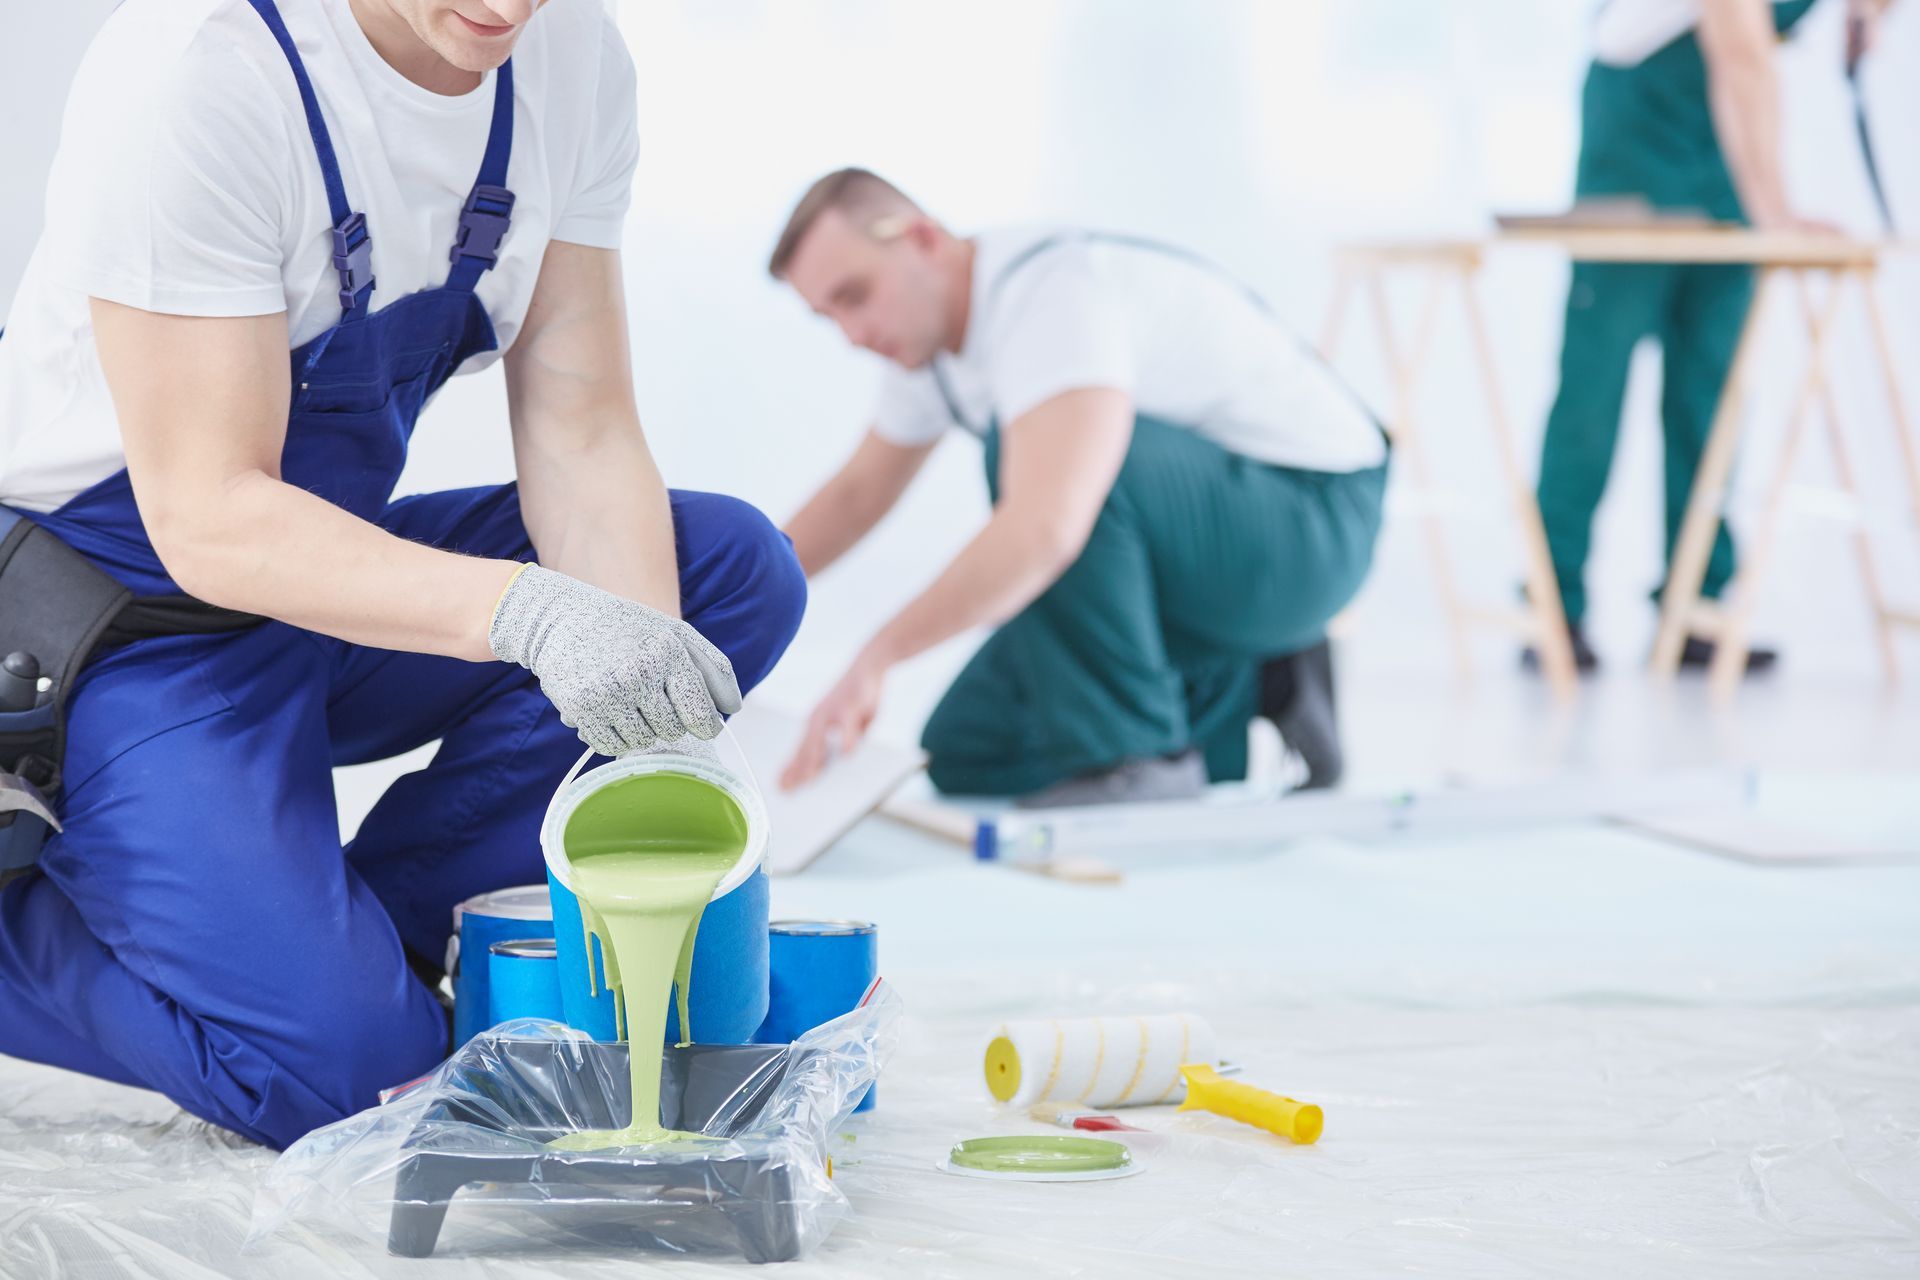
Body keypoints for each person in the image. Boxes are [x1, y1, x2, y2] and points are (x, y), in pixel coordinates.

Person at [0, 0, 804, 1149]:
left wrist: (654, 728)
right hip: (121, 631)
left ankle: (384, 949)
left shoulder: (566, 56)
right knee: (356, 1090)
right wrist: (527, 613)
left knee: (726, 579)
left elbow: (580, 428)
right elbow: (211, 512)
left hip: (316, 579)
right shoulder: (203, 76)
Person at [771, 170, 1387, 806]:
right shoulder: (924, 346)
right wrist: (703, 621)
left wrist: (877, 658)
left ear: (922, 239)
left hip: (1312, 520)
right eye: (829, 317)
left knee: (1041, 457)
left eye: (854, 296)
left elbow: (1047, 527)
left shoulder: (1052, 293)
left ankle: (1140, 757)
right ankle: (1261, 678)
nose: (852, 335)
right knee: (966, 748)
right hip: (1206, 556)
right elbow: (856, 495)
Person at [1530, 0, 1892, 673]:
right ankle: (1555, 610)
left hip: (1717, 158)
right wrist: (1778, 213)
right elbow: (1741, 55)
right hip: (1635, 147)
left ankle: (1696, 610)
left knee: (1712, 395)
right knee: (1591, 395)